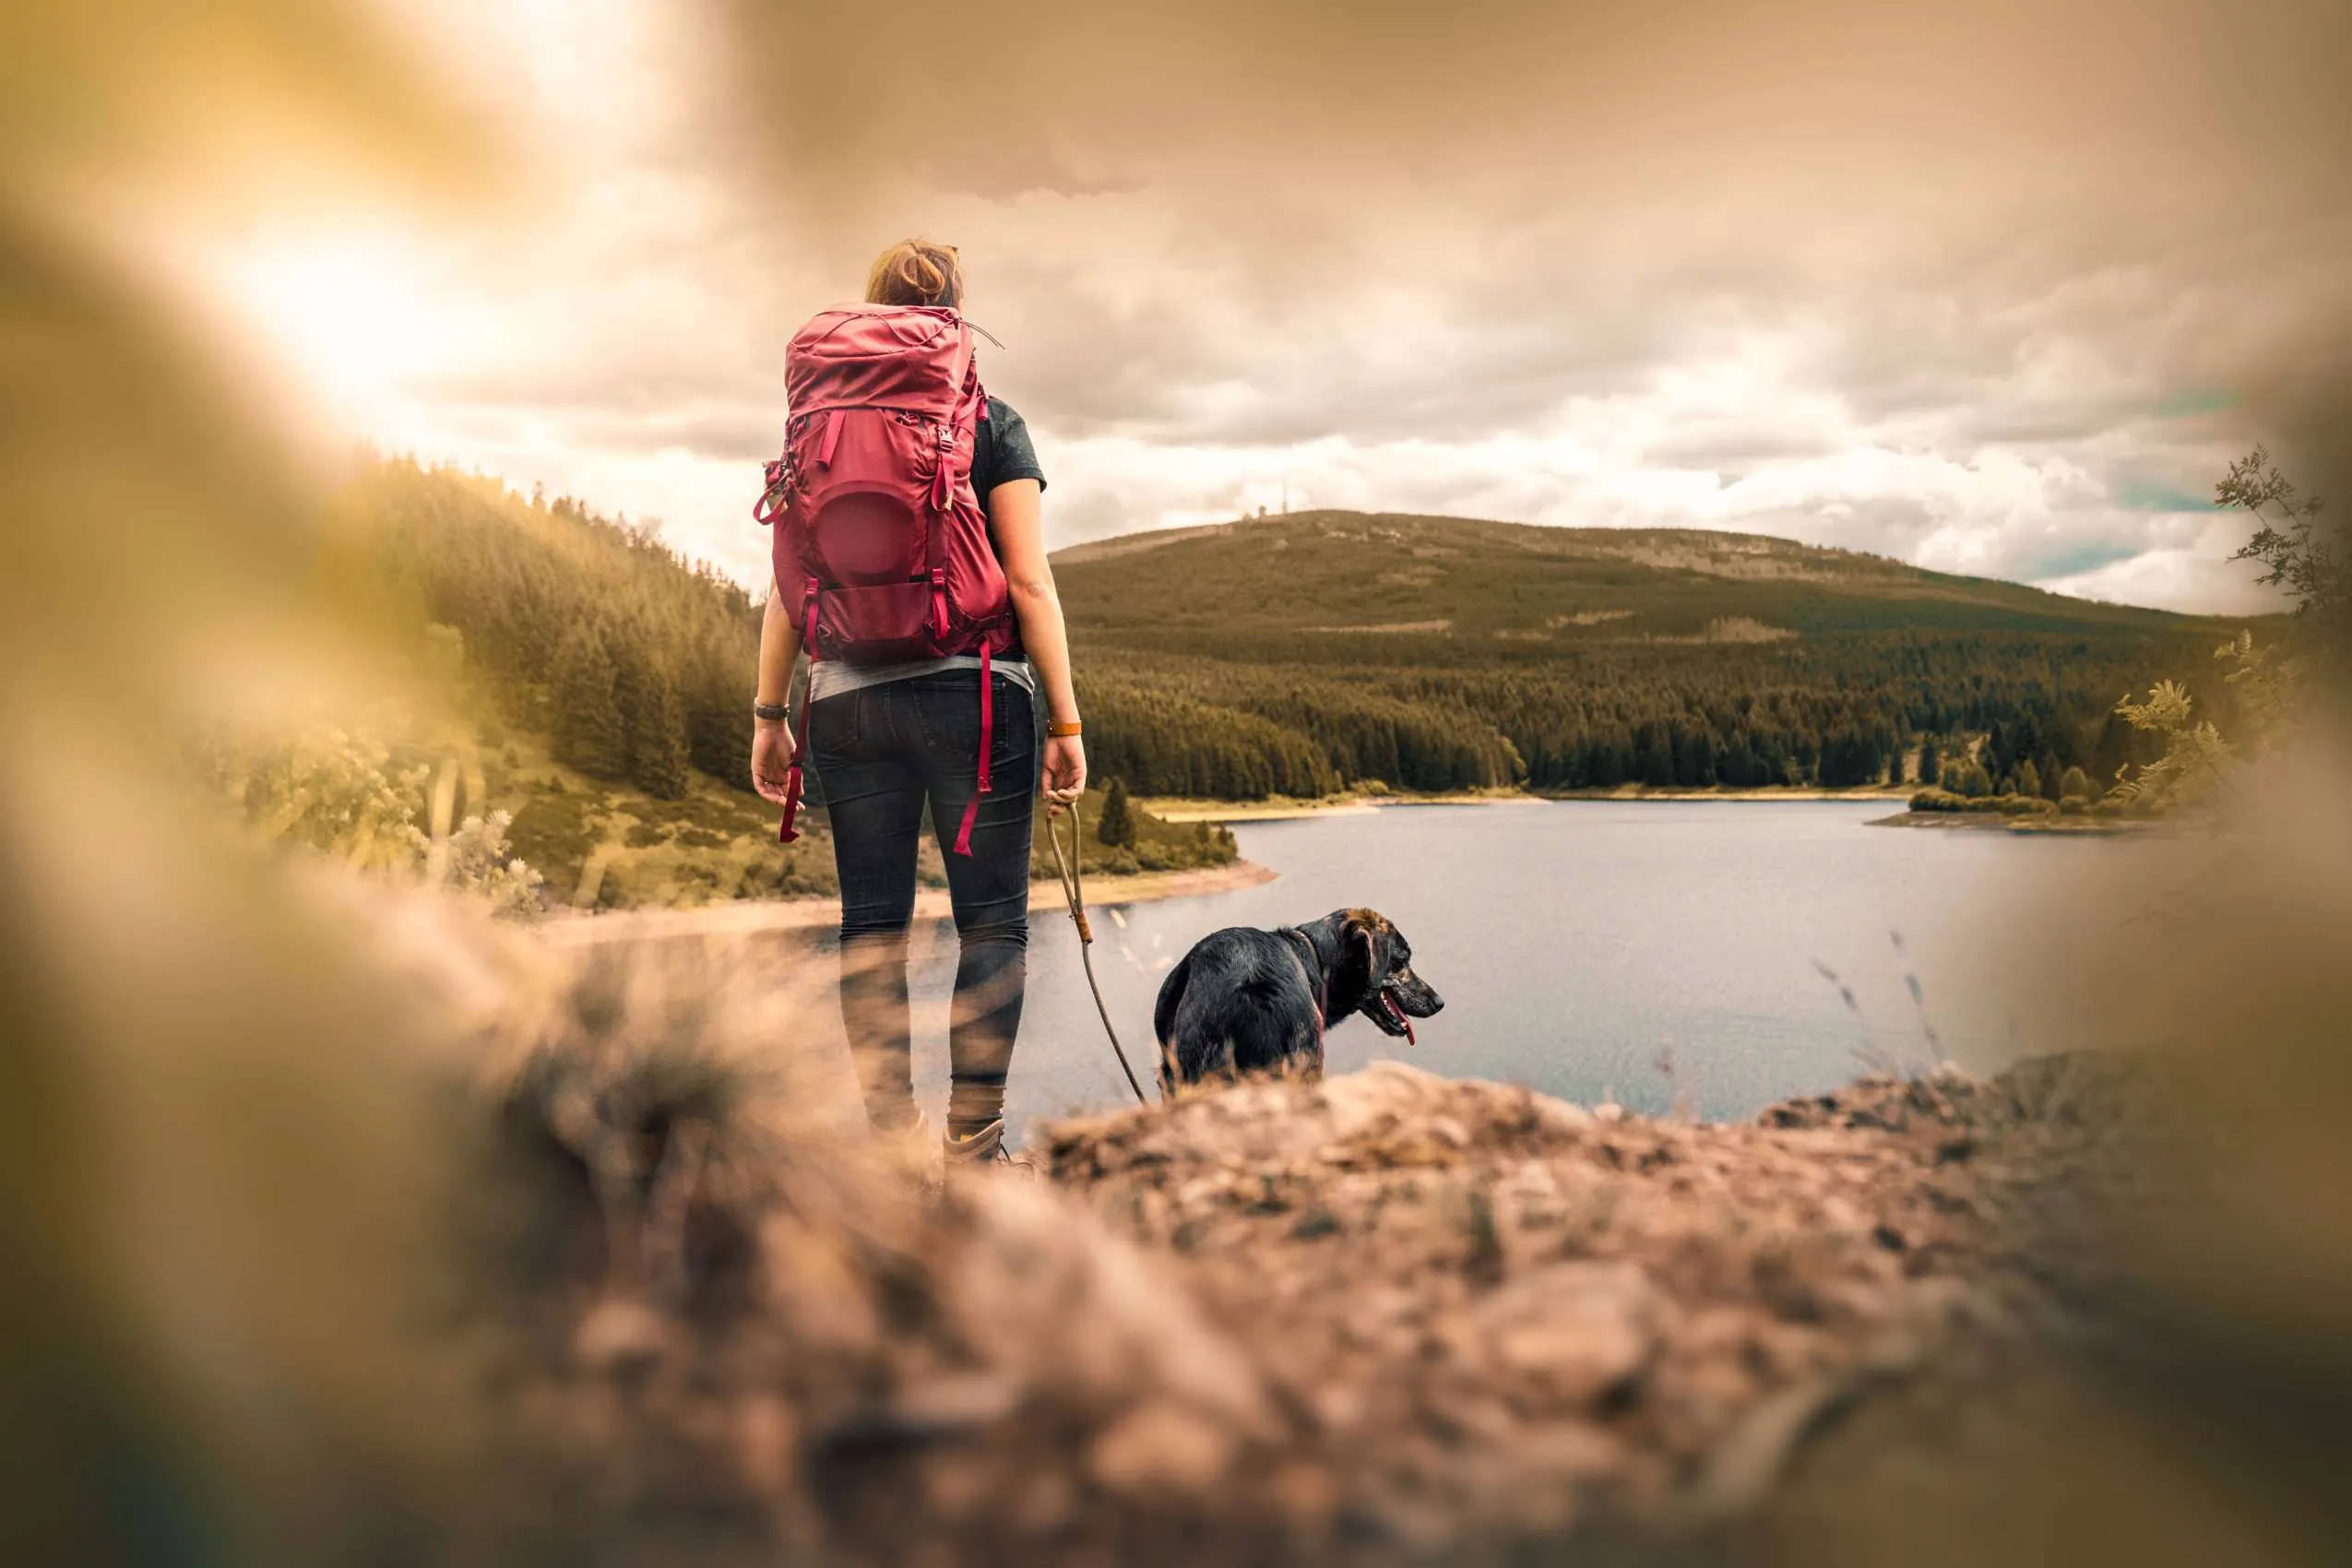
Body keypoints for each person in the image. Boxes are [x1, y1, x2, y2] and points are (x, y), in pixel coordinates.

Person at [751, 239, 1087, 1164]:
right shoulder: (991, 421)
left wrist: (769, 715)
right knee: (993, 925)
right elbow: (1029, 581)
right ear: (954, 317)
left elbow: (786, 585)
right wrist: (1064, 722)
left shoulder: (815, 426)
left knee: (871, 929)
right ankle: (973, 1148)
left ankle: (892, 1152)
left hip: (845, 703)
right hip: (976, 699)